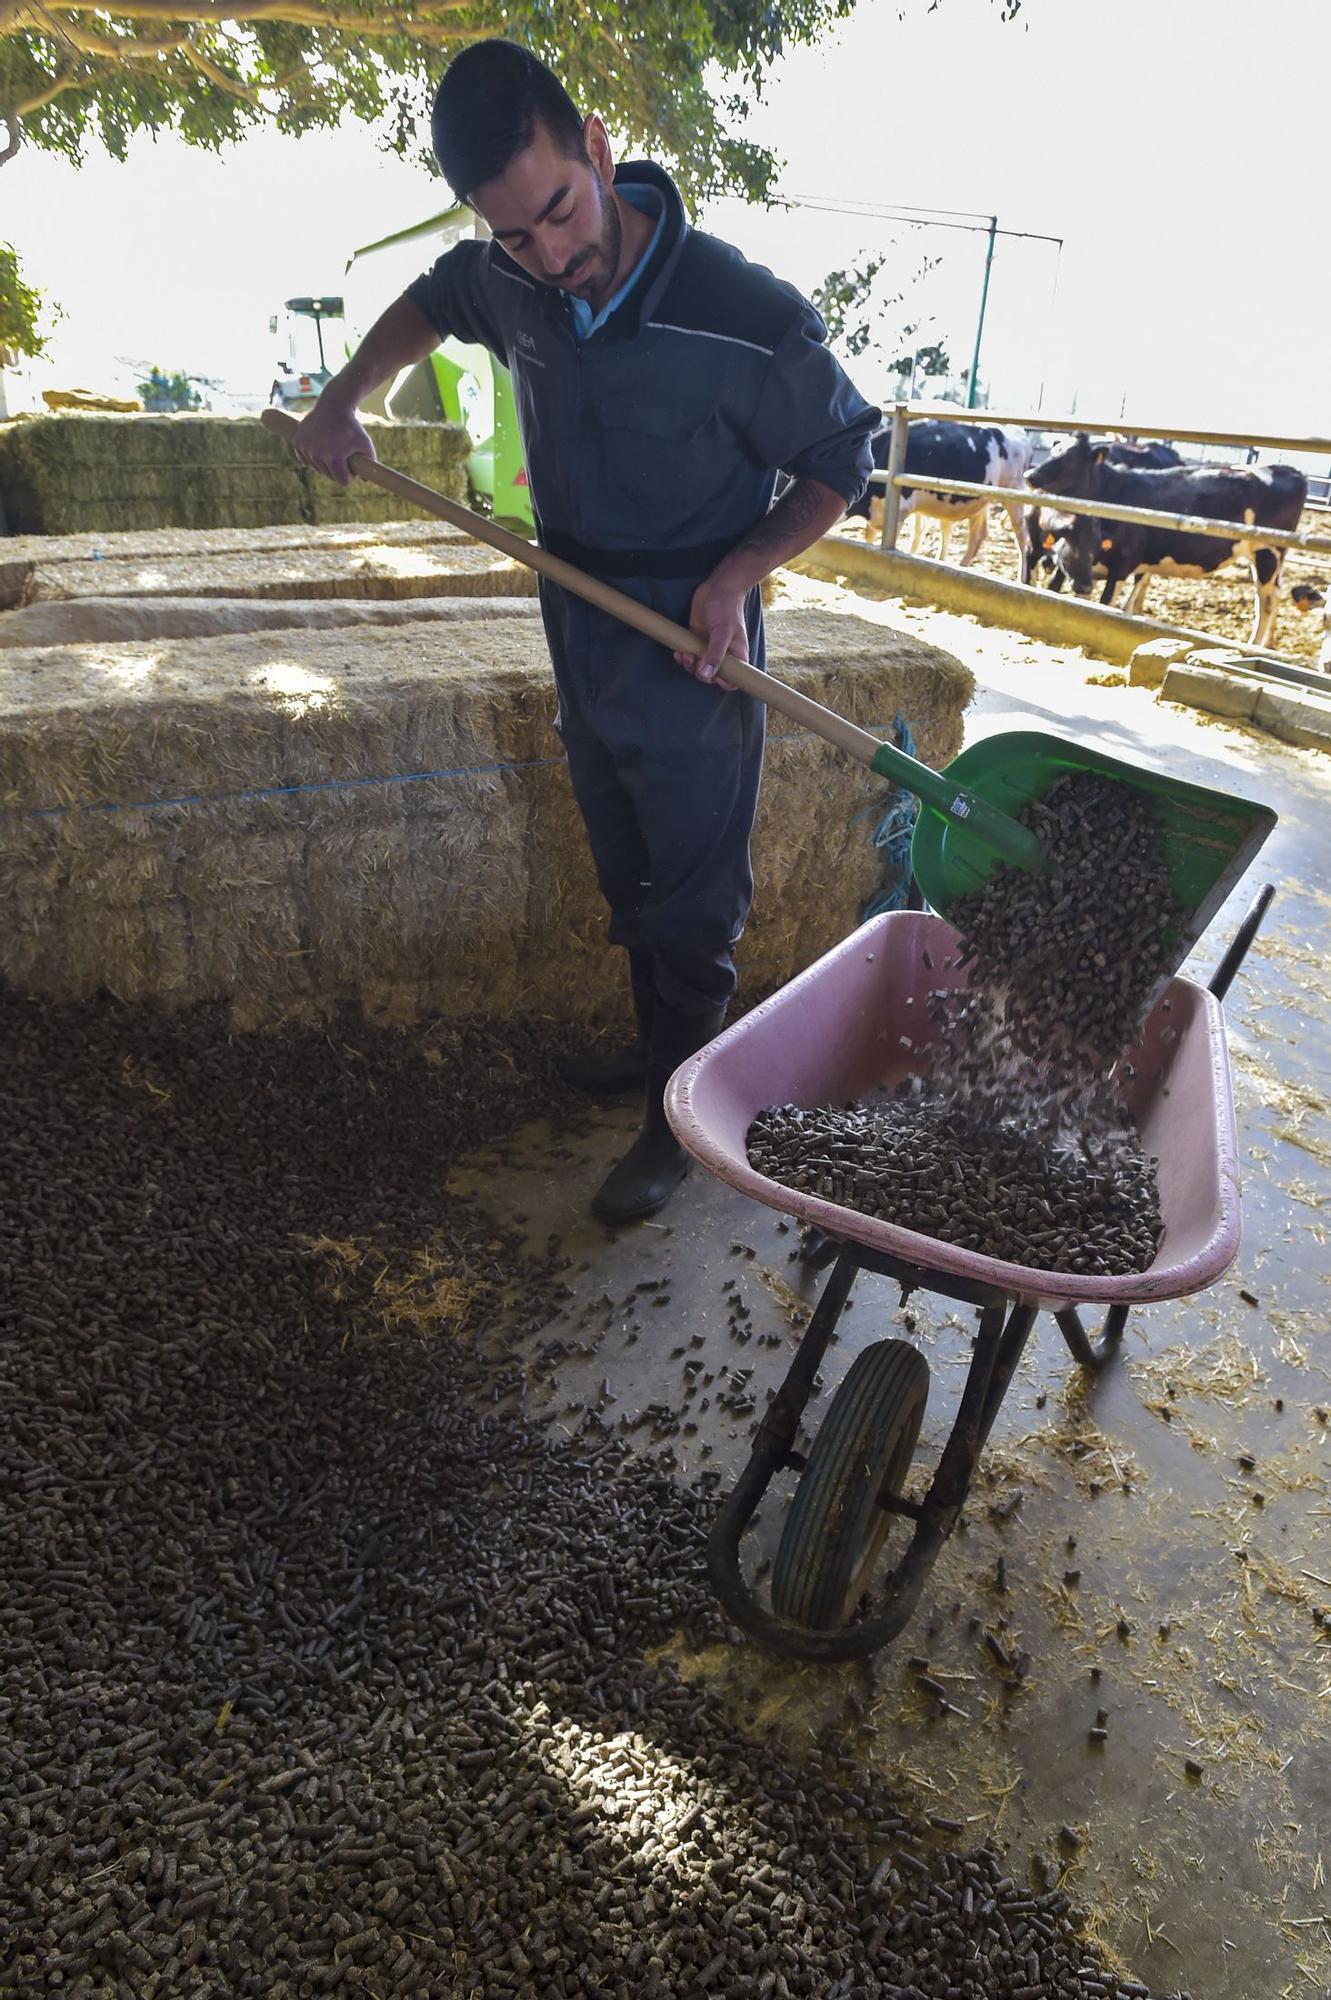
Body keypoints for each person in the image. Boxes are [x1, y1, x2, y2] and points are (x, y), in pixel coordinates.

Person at [290, 39, 879, 1226]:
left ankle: (678, 1111)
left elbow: (839, 459)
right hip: (577, 617)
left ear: (597, 147)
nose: (547, 256)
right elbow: (435, 297)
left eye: (559, 211)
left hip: (690, 641)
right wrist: (343, 396)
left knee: (694, 893)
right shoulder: (506, 276)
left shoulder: (742, 315)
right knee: (623, 862)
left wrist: (738, 573)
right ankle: (650, 1048)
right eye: (516, 234)